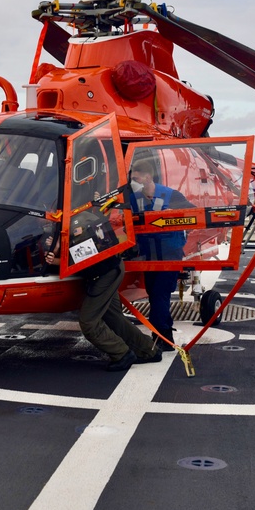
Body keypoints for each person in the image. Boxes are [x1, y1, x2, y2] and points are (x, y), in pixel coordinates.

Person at [45, 212, 161, 371]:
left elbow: (83, 257)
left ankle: (122, 353)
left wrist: (56, 257)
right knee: (113, 317)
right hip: (110, 270)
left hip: (105, 274)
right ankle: (149, 350)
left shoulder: (76, 223)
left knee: (89, 322)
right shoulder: (77, 217)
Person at [129, 158, 192, 351]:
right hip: (148, 255)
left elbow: (193, 213)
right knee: (154, 294)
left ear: (147, 177)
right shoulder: (134, 197)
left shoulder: (171, 195)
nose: (133, 181)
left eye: (136, 178)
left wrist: (174, 215)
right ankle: (165, 336)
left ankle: (161, 339)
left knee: (159, 294)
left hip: (169, 254)